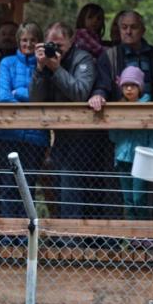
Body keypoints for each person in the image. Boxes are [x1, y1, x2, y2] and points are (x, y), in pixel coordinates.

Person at [30, 22, 95, 220]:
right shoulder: (47, 63)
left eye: (60, 45)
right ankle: (60, 238)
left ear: (71, 40)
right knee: (56, 187)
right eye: (51, 44)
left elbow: (80, 93)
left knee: (71, 187)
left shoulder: (82, 59)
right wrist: (41, 69)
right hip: (58, 136)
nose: (55, 49)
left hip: (83, 135)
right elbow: (35, 99)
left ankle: (71, 241)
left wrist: (57, 69)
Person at [0, 22, 48, 235]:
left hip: (35, 136)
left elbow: (44, 96)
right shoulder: (7, 63)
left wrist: (21, 93)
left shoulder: (44, 65)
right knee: (8, 187)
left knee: (29, 187)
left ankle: (27, 237)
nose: (28, 44)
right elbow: (3, 96)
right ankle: (9, 237)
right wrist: (28, 98)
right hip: (7, 134)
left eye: (33, 40)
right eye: (24, 40)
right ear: (18, 41)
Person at [107, 67, 153, 220]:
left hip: (142, 159)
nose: (129, 89)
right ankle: (132, 239)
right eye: (125, 86)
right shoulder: (118, 107)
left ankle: (144, 234)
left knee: (139, 198)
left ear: (140, 88)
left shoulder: (148, 107)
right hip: (123, 158)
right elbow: (113, 136)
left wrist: (152, 153)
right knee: (128, 201)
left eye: (133, 85)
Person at [89, 10, 153, 111]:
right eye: (124, 27)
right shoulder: (109, 56)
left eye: (133, 27)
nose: (128, 32)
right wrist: (98, 96)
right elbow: (102, 85)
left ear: (143, 30)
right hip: (121, 115)